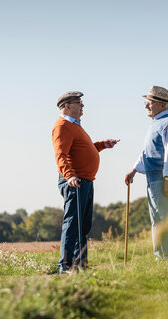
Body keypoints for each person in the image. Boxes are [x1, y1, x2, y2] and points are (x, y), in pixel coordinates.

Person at [52, 91, 119, 274]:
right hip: (75, 181)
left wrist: (102, 145)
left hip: (85, 180)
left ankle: (80, 264)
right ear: (67, 106)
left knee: (84, 225)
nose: (82, 106)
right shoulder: (62, 126)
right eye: (78, 103)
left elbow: (83, 150)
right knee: (73, 223)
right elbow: (61, 155)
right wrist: (69, 175)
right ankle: (65, 266)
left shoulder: (76, 126)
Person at [125, 86, 168, 259]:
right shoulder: (156, 123)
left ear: (162, 105)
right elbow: (147, 152)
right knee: (157, 218)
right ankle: (161, 256)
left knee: (165, 218)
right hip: (152, 176)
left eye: (149, 103)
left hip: (162, 176)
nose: (146, 106)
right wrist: (134, 170)